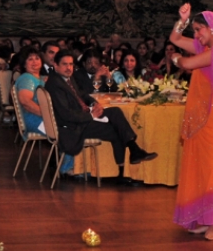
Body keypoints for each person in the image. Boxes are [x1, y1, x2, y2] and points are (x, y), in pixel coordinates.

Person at [168, 4, 213, 241]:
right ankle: (201, 219)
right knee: (200, 171)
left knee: (212, 173)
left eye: (199, 30)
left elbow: (187, 64)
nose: (196, 35)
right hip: (200, 121)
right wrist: (183, 21)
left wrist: (177, 58)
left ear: (212, 28)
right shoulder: (204, 46)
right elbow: (175, 37)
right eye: (195, 30)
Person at [43, 51, 156, 181]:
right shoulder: (55, 84)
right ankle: (123, 170)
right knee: (114, 129)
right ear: (55, 65)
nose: (69, 68)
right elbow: (66, 114)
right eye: (65, 64)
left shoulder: (66, 78)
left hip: (80, 119)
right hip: (71, 127)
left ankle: (133, 150)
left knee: (115, 112)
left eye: (71, 64)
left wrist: (95, 103)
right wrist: (91, 115)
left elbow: (82, 94)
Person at [15, 49, 47, 135]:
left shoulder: (42, 78)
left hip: (44, 118)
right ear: (24, 64)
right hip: (35, 120)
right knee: (66, 130)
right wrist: (48, 115)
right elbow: (25, 102)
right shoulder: (27, 78)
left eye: (37, 58)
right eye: (30, 59)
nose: (34, 61)